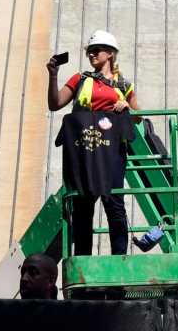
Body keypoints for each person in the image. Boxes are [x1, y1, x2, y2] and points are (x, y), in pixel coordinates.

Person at [47, 30, 138, 255]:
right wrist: (53, 75)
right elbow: (55, 103)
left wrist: (126, 106)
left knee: (113, 201)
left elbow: (138, 116)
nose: (91, 55)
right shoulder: (80, 79)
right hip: (84, 151)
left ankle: (119, 258)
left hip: (112, 152)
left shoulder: (124, 84)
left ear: (110, 54)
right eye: (89, 51)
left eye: (96, 50)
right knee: (83, 205)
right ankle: (84, 259)